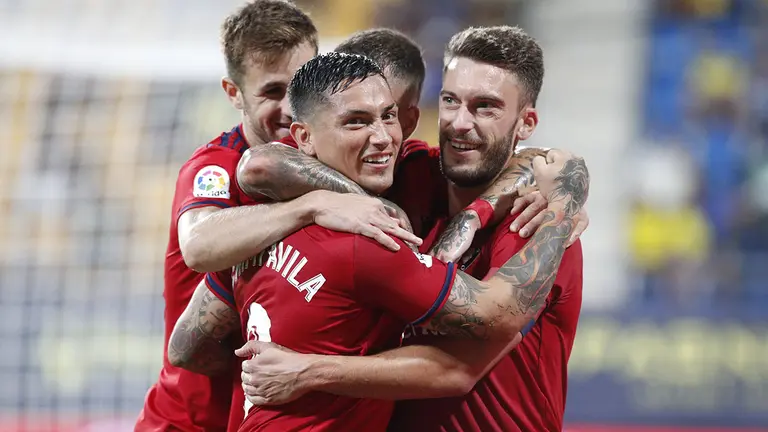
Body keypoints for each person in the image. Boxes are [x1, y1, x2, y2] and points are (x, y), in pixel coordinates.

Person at [169, 52, 587, 432]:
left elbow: (187, 346)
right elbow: (474, 345)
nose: (384, 136)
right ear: (304, 137)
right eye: (356, 121)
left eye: (389, 117)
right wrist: (561, 212)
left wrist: (278, 376)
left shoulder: (259, 230)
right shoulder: (369, 240)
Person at [135, 2, 418, 431]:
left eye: (299, 84)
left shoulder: (339, 157)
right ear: (234, 93)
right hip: (189, 420)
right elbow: (199, 245)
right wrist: (310, 206)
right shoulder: (216, 166)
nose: (289, 107)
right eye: (271, 91)